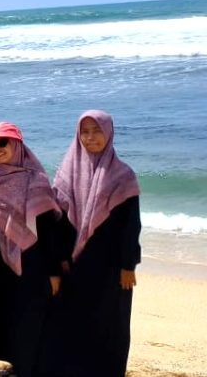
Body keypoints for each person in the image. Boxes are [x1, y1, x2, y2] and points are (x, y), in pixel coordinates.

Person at [46, 111, 141, 377]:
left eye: (96, 130)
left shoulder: (123, 175)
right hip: (76, 263)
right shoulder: (67, 173)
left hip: (111, 266)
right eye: (84, 131)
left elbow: (131, 225)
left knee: (112, 322)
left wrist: (128, 265)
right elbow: (59, 222)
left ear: (109, 132)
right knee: (75, 321)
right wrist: (59, 261)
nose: (90, 137)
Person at [0, 122, 61, 377]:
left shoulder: (35, 179)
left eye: (3, 143)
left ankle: (28, 368)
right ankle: (11, 364)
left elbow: (48, 230)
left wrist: (54, 271)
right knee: (6, 315)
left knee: (30, 319)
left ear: (17, 144)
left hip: (32, 262)